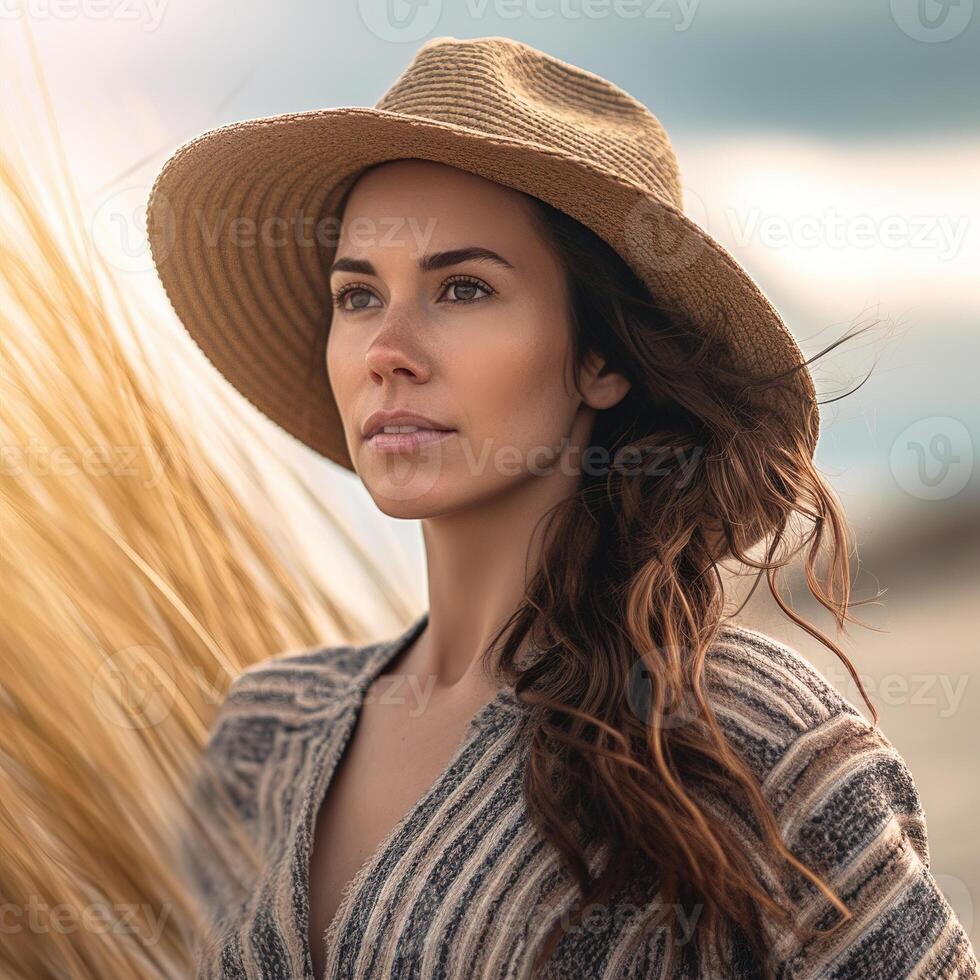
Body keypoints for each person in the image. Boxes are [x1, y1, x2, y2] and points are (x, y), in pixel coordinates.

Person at [150, 36, 978, 980]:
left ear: (603, 358)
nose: (387, 348)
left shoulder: (749, 738)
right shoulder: (262, 731)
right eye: (357, 294)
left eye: (463, 288)